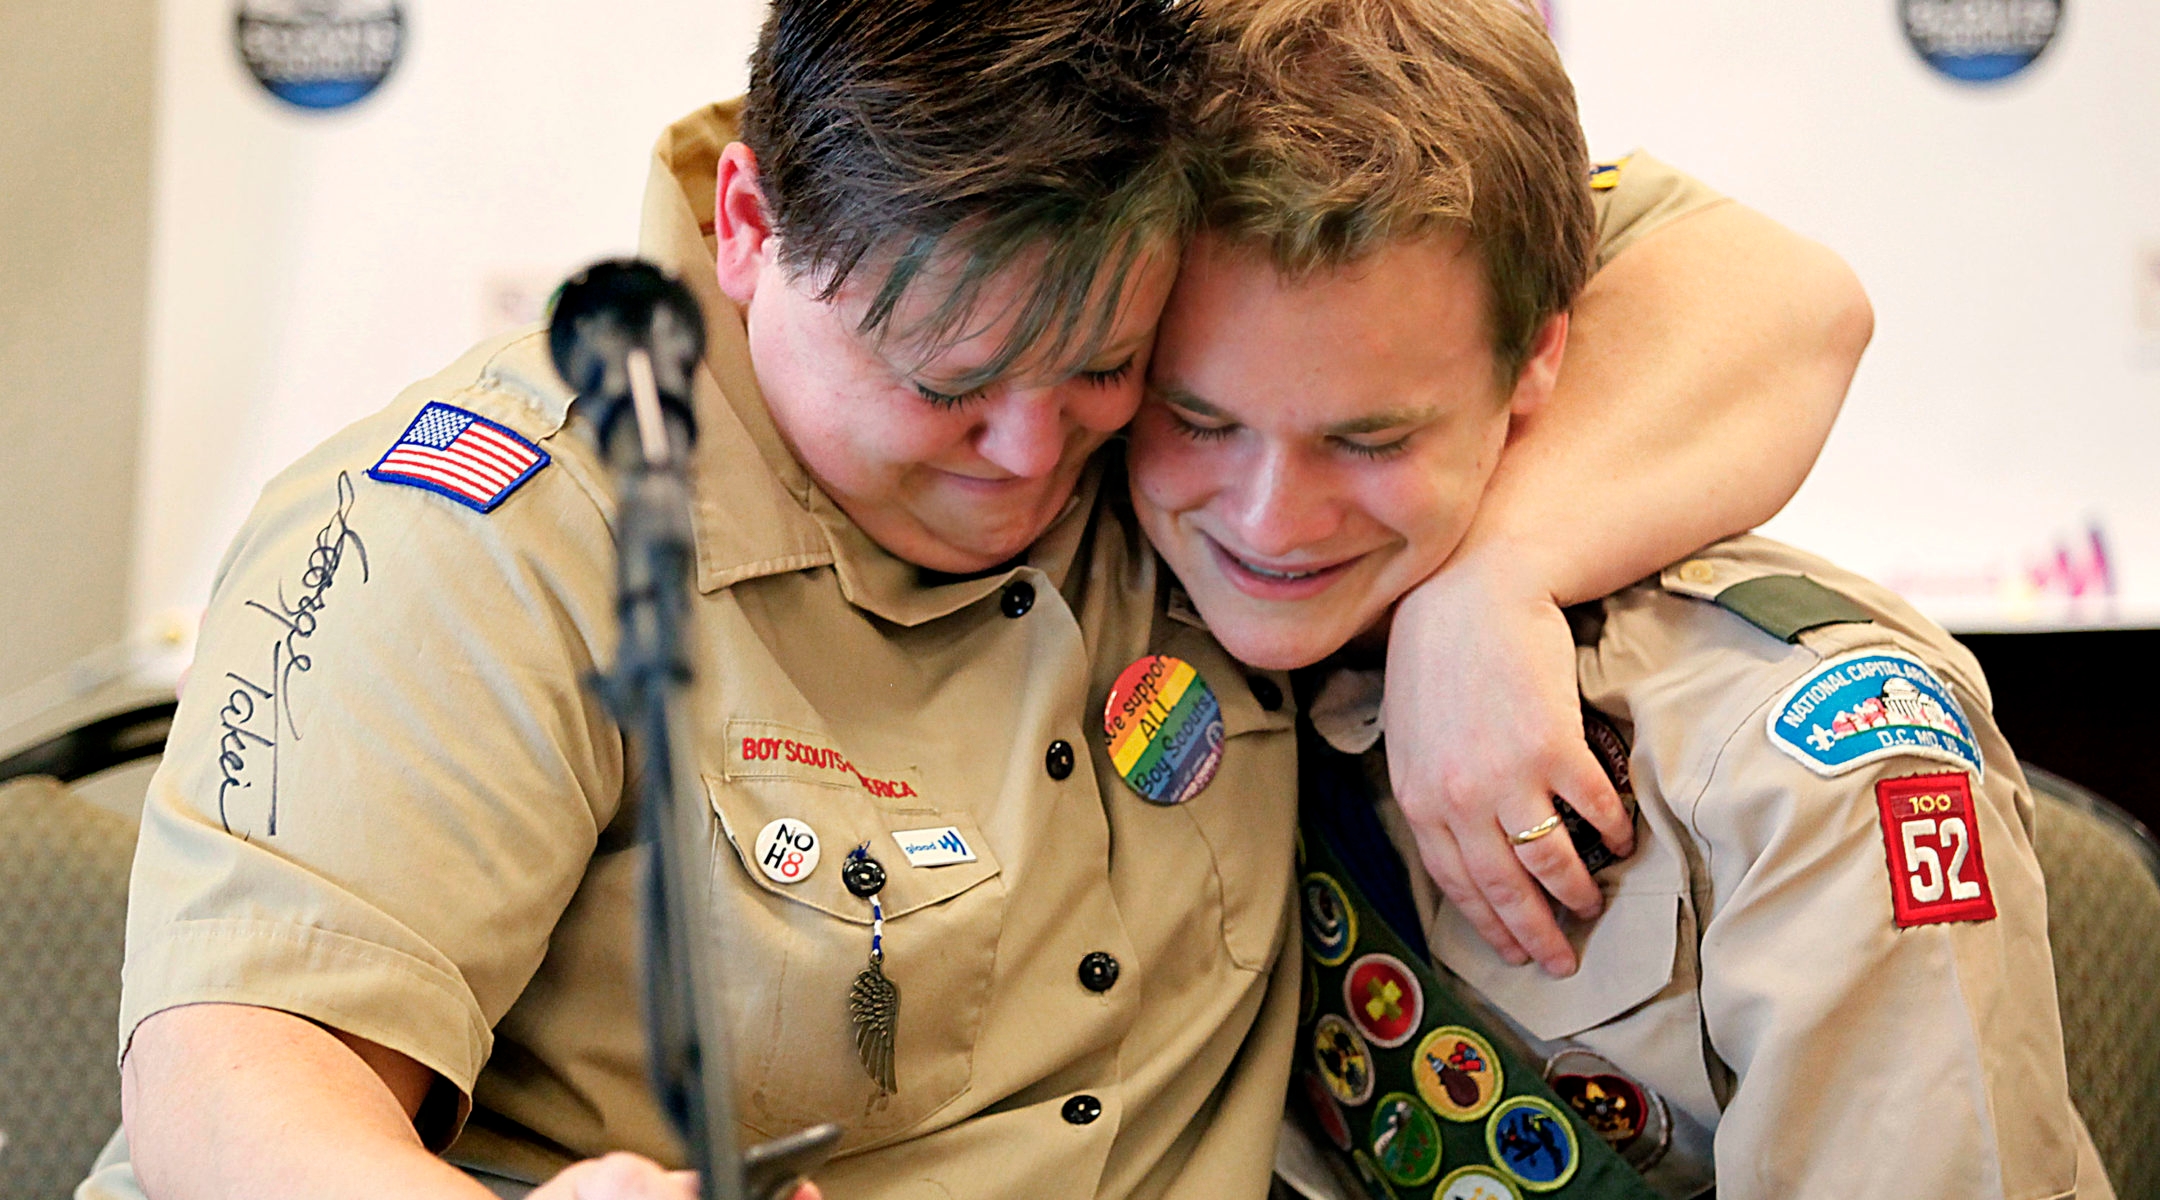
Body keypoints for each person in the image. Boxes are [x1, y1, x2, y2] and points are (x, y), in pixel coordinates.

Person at [87, 1, 1865, 1198]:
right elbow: (230, 1084)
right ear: (751, 227)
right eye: (946, 386)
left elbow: (1777, 297)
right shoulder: (498, 521)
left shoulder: (1203, 438)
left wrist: (1498, 572)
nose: (1030, 460)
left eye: (1107, 368)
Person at [1124, 1, 2109, 1196]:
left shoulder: (1802, 764)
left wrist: (1489, 581)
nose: (1271, 519)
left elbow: (1792, 289)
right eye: (1196, 420)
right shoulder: (1084, 560)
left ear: (1540, 354)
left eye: (1369, 439)